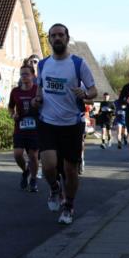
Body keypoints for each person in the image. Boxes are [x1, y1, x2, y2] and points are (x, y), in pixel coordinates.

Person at [34, 23, 97, 225]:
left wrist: (86, 95)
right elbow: (39, 91)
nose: (57, 38)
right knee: (49, 166)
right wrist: (36, 101)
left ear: (67, 38)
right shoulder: (43, 65)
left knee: (70, 170)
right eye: (53, 36)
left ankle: (69, 206)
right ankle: (54, 189)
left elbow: (94, 90)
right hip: (48, 122)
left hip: (72, 123)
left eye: (61, 35)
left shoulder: (79, 64)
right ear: (49, 40)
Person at [8, 64, 40, 192]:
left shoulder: (38, 89)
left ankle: (33, 179)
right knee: (17, 154)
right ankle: (25, 171)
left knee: (33, 156)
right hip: (20, 128)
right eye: (22, 74)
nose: (24, 77)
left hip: (35, 129)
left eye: (26, 74)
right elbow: (10, 107)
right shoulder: (15, 91)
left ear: (33, 75)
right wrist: (12, 114)